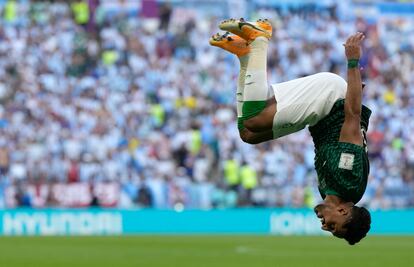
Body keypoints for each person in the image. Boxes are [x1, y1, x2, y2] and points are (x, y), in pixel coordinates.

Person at [209, 18, 371, 245]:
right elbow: (353, 117)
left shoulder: (330, 191)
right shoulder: (349, 180)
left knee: (248, 133)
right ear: (344, 211)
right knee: (255, 119)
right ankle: (259, 39)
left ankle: (245, 56)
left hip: (319, 115)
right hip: (330, 100)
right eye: (332, 225)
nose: (324, 225)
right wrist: (353, 63)